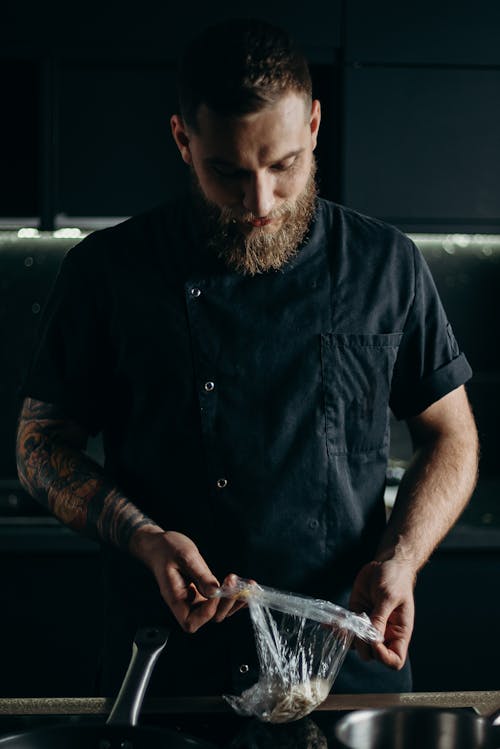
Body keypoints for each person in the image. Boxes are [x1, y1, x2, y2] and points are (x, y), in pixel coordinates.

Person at [16, 18, 478, 697]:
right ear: (182, 140)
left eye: (284, 165)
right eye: (227, 172)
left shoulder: (387, 267)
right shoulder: (107, 272)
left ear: (315, 126)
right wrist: (145, 536)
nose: (259, 201)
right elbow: (37, 444)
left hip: (347, 661)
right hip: (172, 668)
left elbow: (453, 435)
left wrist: (402, 556)